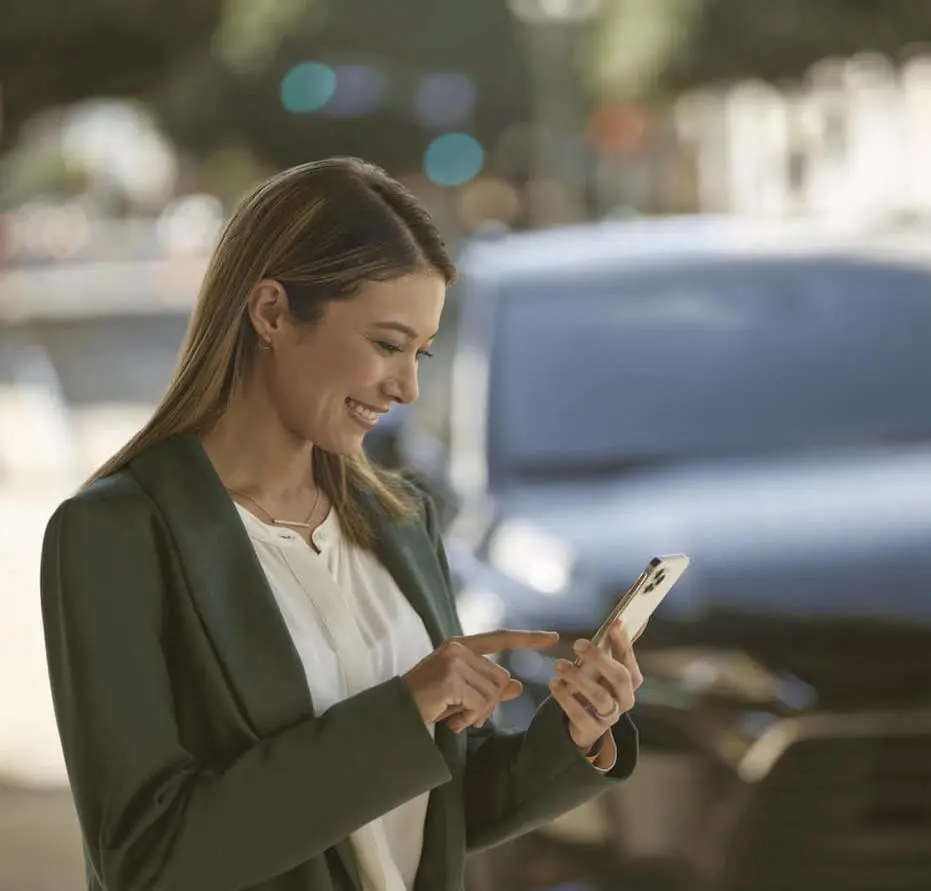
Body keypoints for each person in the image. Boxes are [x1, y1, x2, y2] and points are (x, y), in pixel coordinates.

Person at [40, 157, 641, 891]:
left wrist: (573, 733)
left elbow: (428, 806)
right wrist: (406, 708)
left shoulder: (400, 520)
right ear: (270, 313)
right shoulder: (116, 536)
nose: (409, 386)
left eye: (422, 352)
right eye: (386, 344)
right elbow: (147, 857)